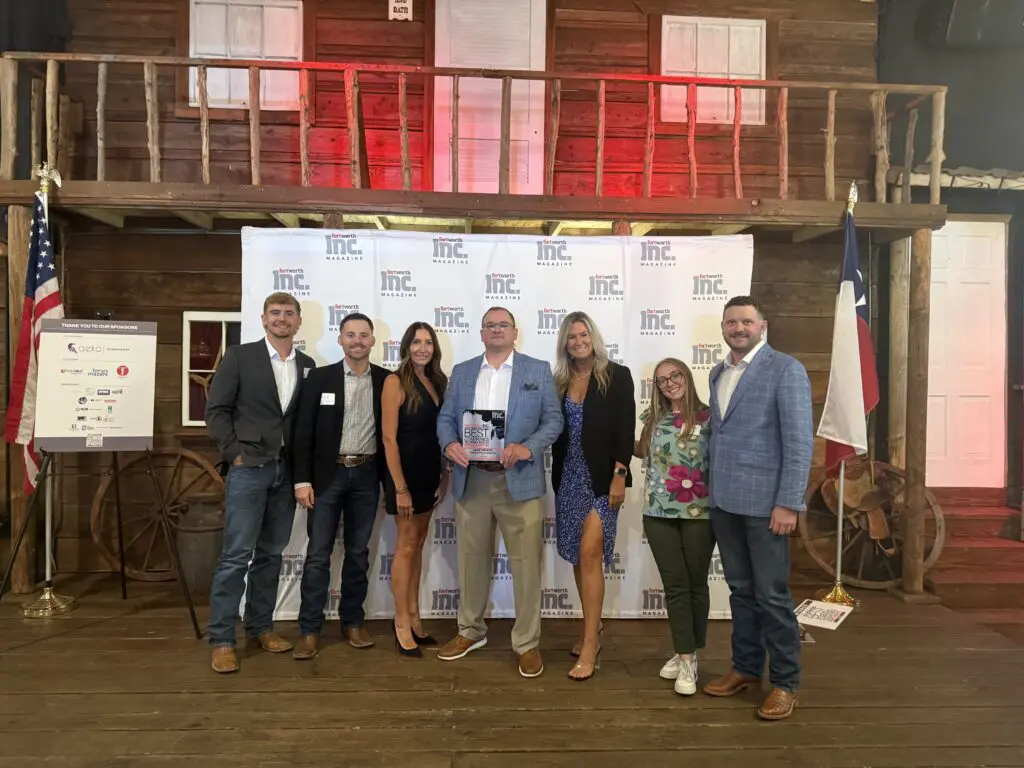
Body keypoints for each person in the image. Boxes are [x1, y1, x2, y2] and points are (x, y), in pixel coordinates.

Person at [435, 306, 563, 678]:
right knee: (471, 560)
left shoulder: (536, 370)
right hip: (471, 478)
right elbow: (445, 418)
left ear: (515, 331)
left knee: (525, 565)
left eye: (503, 325)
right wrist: (449, 444)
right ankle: (470, 631)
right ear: (481, 332)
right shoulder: (461, 372)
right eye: (489, 325)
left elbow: (554, 420)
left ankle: (526, 642)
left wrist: (528, 447)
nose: (496, 330)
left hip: (519, 479)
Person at [702, 295, 813, 721]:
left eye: (746, 321)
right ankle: (746, 668)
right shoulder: (718, 372)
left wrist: (788, 503)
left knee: (771, 595)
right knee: (741, 592)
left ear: (762, 325)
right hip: (725, 502)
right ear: (724, 327)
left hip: (768, 506)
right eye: (732, 322)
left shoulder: (786, 369)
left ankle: (785, 682)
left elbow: (799, 443)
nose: (738, 328)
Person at [204, 292, 316, 674]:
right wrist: (235, 452)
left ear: (298, 322)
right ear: (264, 319)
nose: (282, 319)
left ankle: (260, 627)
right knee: (236, 556)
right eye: (275, 313)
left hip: (287, 473)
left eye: (289, 313)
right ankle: (221, 639)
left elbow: (302, 423)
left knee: (271, 554)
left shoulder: (307, 365)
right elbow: (216, 411)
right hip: (249, 468)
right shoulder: (240, 356)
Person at [290, 312, 389, 660]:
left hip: (366, 475)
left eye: (364, 335)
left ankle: (353, 622)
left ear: (373, 341)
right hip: (326, 477)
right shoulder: (319, 378)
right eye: (351, 334)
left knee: (358, 553)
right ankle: (309, 629)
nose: (357, 341)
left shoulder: (386, 381)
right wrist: (302, 479)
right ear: (341, 339)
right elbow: (302, 432)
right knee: (318, 555)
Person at [550, 311, 634, 681]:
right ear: (564, 343)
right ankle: (593, 627)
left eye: (583, 334)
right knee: (576, 556)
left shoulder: (616, 375)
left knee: (589, 554)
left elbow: (625, 426)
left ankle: (589, 644)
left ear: (593, 337)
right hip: (568, 477)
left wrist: (620, 474)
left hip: (602, 480)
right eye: (571, 337)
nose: (578, 341)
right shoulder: (559, 381)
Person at [635, 357, 714, 697]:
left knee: (696, 584)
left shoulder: (711, 417)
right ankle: (686, 656)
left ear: (687, 376)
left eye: (675, 375)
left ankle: (689, 653)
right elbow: (640, 451)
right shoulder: (652, 418)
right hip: (658, 513)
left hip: (701, 512)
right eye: (662, 380)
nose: (669, 383)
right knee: (676, 586)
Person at [381, 322, 450, 657]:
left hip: (430, 474)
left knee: (418, 544)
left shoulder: (437, 381)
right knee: (406, 546)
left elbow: (442, 433)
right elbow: (389, 438)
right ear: (406, 346)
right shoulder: (395, 381)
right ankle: (400, 623)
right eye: (416, 342)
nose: (423, 348)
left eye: (428, 342)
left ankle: (414, 616)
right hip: (404, 476)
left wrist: (445, 474)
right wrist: (399, 487)